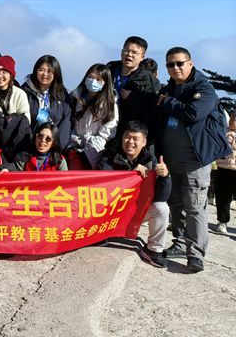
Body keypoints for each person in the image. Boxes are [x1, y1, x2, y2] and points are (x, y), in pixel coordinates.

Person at [157, 47, 230, 272]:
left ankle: (195, 254)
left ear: (190, 63)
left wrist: (167, 102)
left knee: (195, 207)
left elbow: (193, 114)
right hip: (170, 159)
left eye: (180, 63)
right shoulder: (169, 88)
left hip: (194, 160)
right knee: (175, 204)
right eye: (170, 64)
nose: (175, 68)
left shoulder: (204, 88)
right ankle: (179, 243)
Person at [98, 121, 172, 268]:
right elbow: (102, 187)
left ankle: (153, 250)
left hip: (135, 212)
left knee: (162, 208)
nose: (130, 142)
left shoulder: (151, 160)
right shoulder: (108, 156)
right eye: (127, 137)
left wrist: (165, 176)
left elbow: (161, 197)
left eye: (135, 139)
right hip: (111, 212)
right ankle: (99, 234)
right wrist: (130, 174)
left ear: (144, 142)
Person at [107, 36, 160, 141]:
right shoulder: (109, 70)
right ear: (121, 52)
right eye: (126, 51)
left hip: (129, 132)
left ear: (142, 57)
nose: (129, 55)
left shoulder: (148, 79)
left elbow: (152, 108)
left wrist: (132, 97)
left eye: (134, 52)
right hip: (104, 127)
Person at [68, 64, 118, 169]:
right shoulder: (74, 98)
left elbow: (107, 132)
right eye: (90, 77)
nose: (93, 81)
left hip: (95, 150)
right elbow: (70, 124)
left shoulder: (110, 104)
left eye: (98, 79)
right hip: (73, 147)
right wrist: (73, 144)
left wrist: (88, 148)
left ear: (105, 83)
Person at [22, 55, 72, 149]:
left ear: (56, 73)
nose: (45, 74)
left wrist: (58, 147)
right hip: (27, 144)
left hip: (52, 146)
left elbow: (65, 122)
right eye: (41, 70)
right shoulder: (25, 91)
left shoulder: (62, 95)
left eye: (49, 71)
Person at [213, 111, 236, 234]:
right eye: (231, 119)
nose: (231, 122)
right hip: (223, 169)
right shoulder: (223, 132)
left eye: (234, 119)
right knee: (222, 197)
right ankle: (222, 222)